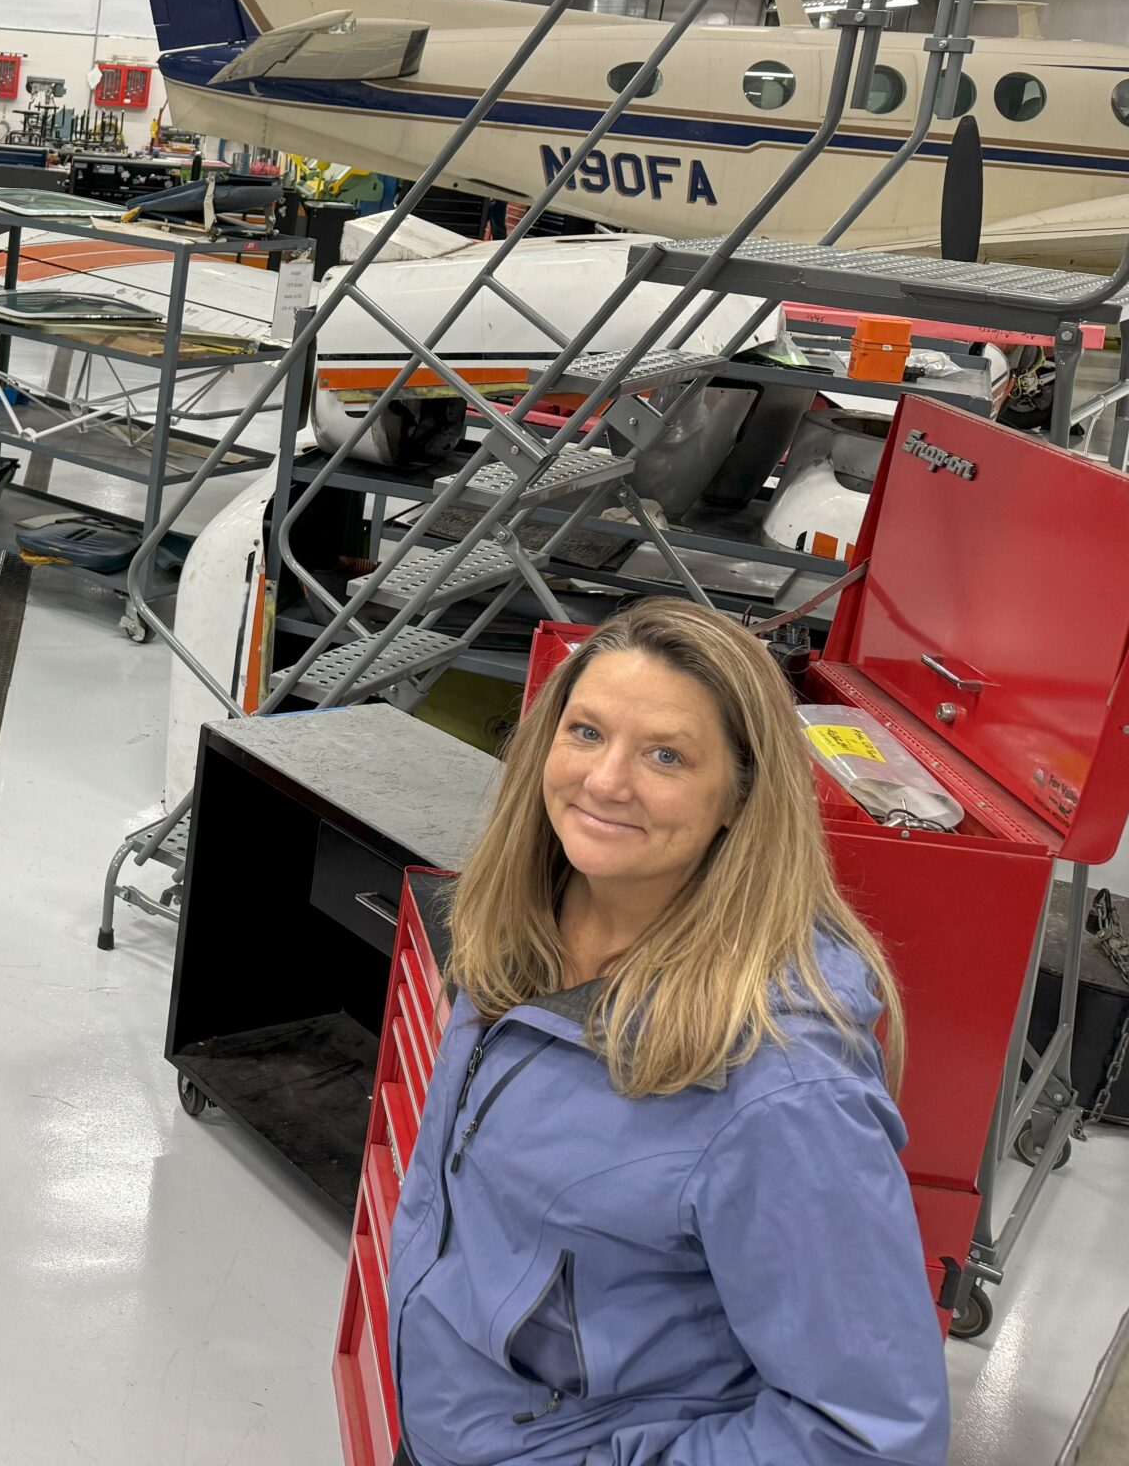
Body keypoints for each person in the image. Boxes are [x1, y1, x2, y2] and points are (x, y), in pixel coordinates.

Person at [388, 597, 948, 1465]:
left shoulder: (781, 1085)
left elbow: (868, 1436)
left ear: (739, 798)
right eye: (585, 733)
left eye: (665, 756)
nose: (607, 781)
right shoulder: (523, 922)